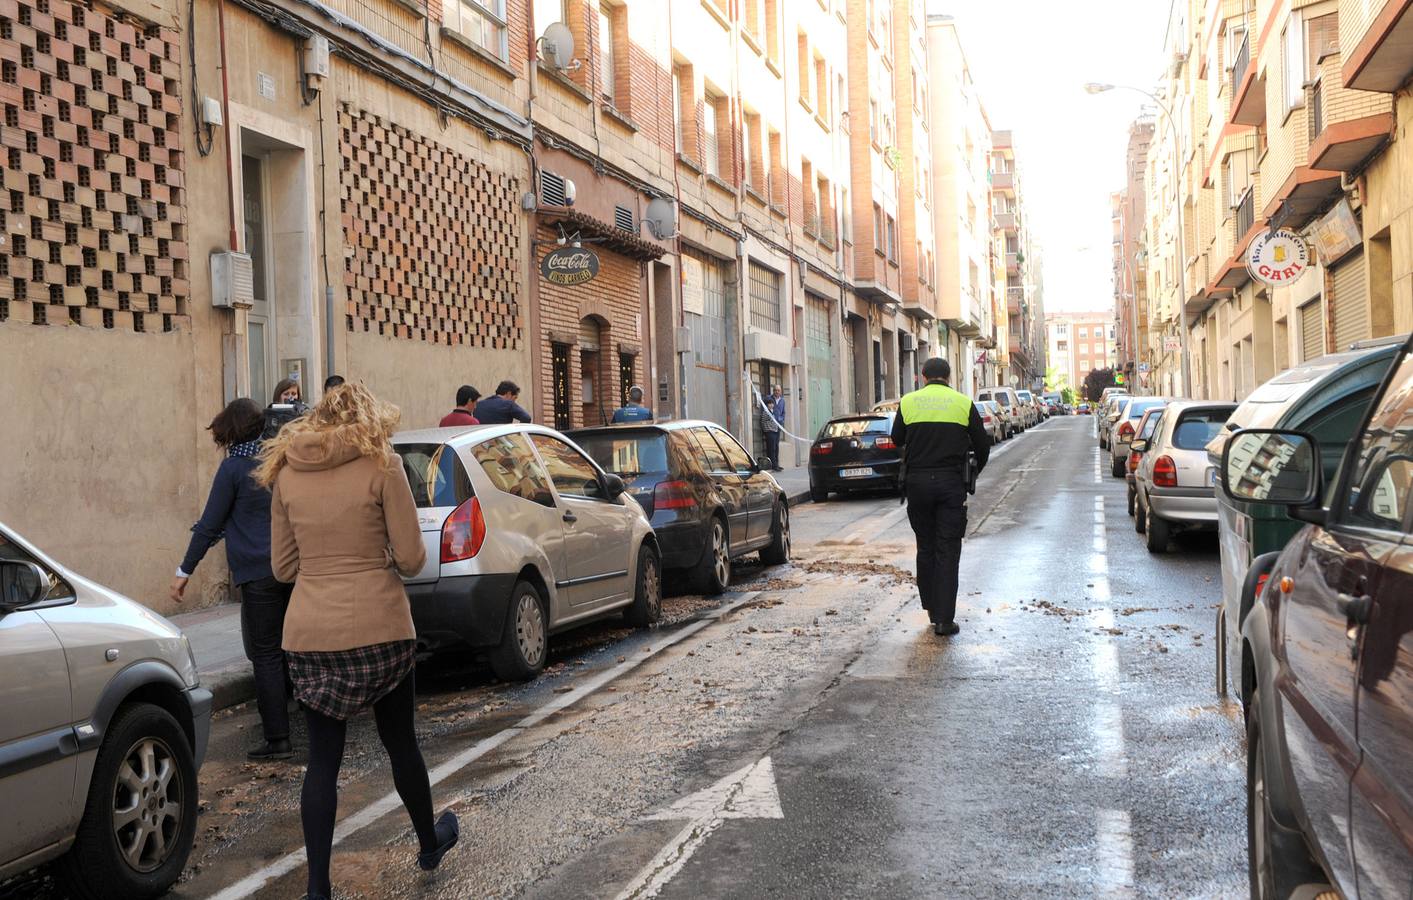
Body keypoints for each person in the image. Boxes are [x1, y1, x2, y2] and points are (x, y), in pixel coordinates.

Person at [256, 385, 459, 900]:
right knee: (400, 741)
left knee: (323, 759)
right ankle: (428, 841)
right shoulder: (382, 464)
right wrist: (377, 560)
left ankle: (319, 888)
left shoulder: (285, 474)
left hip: (310, 633)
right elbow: (413, 559)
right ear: (370, 416)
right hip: (381, 628)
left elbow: (282, 568)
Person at [170, 398, 293, 760]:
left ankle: (278, 739)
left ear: (230, 429)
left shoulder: (234, 469)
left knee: (266, 655)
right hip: (291, 567)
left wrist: (183, 571)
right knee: (294, 647)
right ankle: (311, 722)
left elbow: (209, 525)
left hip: (257, 574)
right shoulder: (278, 463)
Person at [890, 357, 990, 637]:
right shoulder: (962, 403)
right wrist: (972, 473)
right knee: (948, 549)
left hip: (917, 484)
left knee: (926, 546)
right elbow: (983, 445)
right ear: (948, 377)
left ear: (923, 376)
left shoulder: (909, 402)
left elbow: (897, 438)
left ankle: (931, 609)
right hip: (950, 483)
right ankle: (945, 620)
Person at [760, 386, 786, 471]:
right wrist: (766, 430)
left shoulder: (782, 400)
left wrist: (780, 420)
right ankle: (773, 466)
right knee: (771, 448)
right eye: (775, 390)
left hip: (777, 427)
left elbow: (783, 412)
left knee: (776, 447)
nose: (777, 392)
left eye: (778, 390)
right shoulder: (769, 399)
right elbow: (763, 420)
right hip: (770, 430)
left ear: (780, 391)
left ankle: (776, 464)